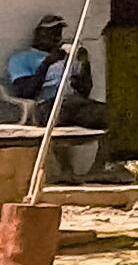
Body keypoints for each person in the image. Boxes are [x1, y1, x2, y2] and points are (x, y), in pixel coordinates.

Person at [3, 16, 108, 172]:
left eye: (58, 32)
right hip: (43, 106)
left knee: (114, 115)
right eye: (51, 32)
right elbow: (26, 92)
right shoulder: (22, 58)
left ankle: (98, 168)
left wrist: (85, 64)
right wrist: (47, 64)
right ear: (39, 34)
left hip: (74, 104)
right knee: (62, 112)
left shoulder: (66, 57)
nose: (56, 37)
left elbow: (85, 91)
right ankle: (66, 170)